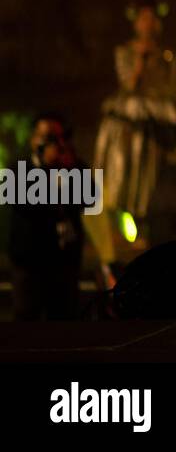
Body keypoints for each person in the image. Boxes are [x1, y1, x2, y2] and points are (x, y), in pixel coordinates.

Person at [85, 0, 176, 287]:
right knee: (117, 183)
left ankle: (147, 240)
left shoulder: (167, 55)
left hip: (156, 127)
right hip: (129, 126)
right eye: (143, 18)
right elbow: (128, 83)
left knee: (152, 183)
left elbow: (173, 90)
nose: (148, 24)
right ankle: (116, 251)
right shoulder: (125, 52)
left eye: (152, 18)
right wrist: (140, 59)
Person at [7, 113, 90, 320]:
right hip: (30, 263)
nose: (56, 144)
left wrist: (68, 169)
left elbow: (88, 199)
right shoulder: (18, 169)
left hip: (64, 262)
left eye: (59, 137)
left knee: (65, 322)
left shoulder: (74, 167)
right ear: (33, 139)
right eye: (48, 137)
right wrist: (46, 169)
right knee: (26, 323)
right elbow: (22, 204)